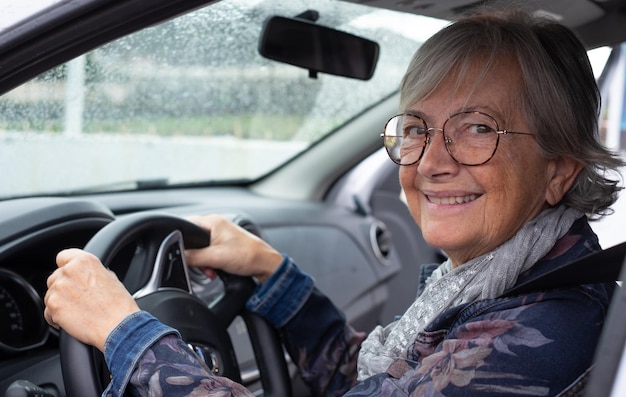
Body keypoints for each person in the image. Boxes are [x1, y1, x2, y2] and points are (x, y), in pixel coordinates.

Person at [44, 8, 625, 397]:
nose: (430, 161)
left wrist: (126, 335)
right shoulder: (499, 284)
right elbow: (379, 380)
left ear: (558, 170)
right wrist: (272, 273)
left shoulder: (540, 330)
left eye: (477, 128)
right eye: (418, 127)